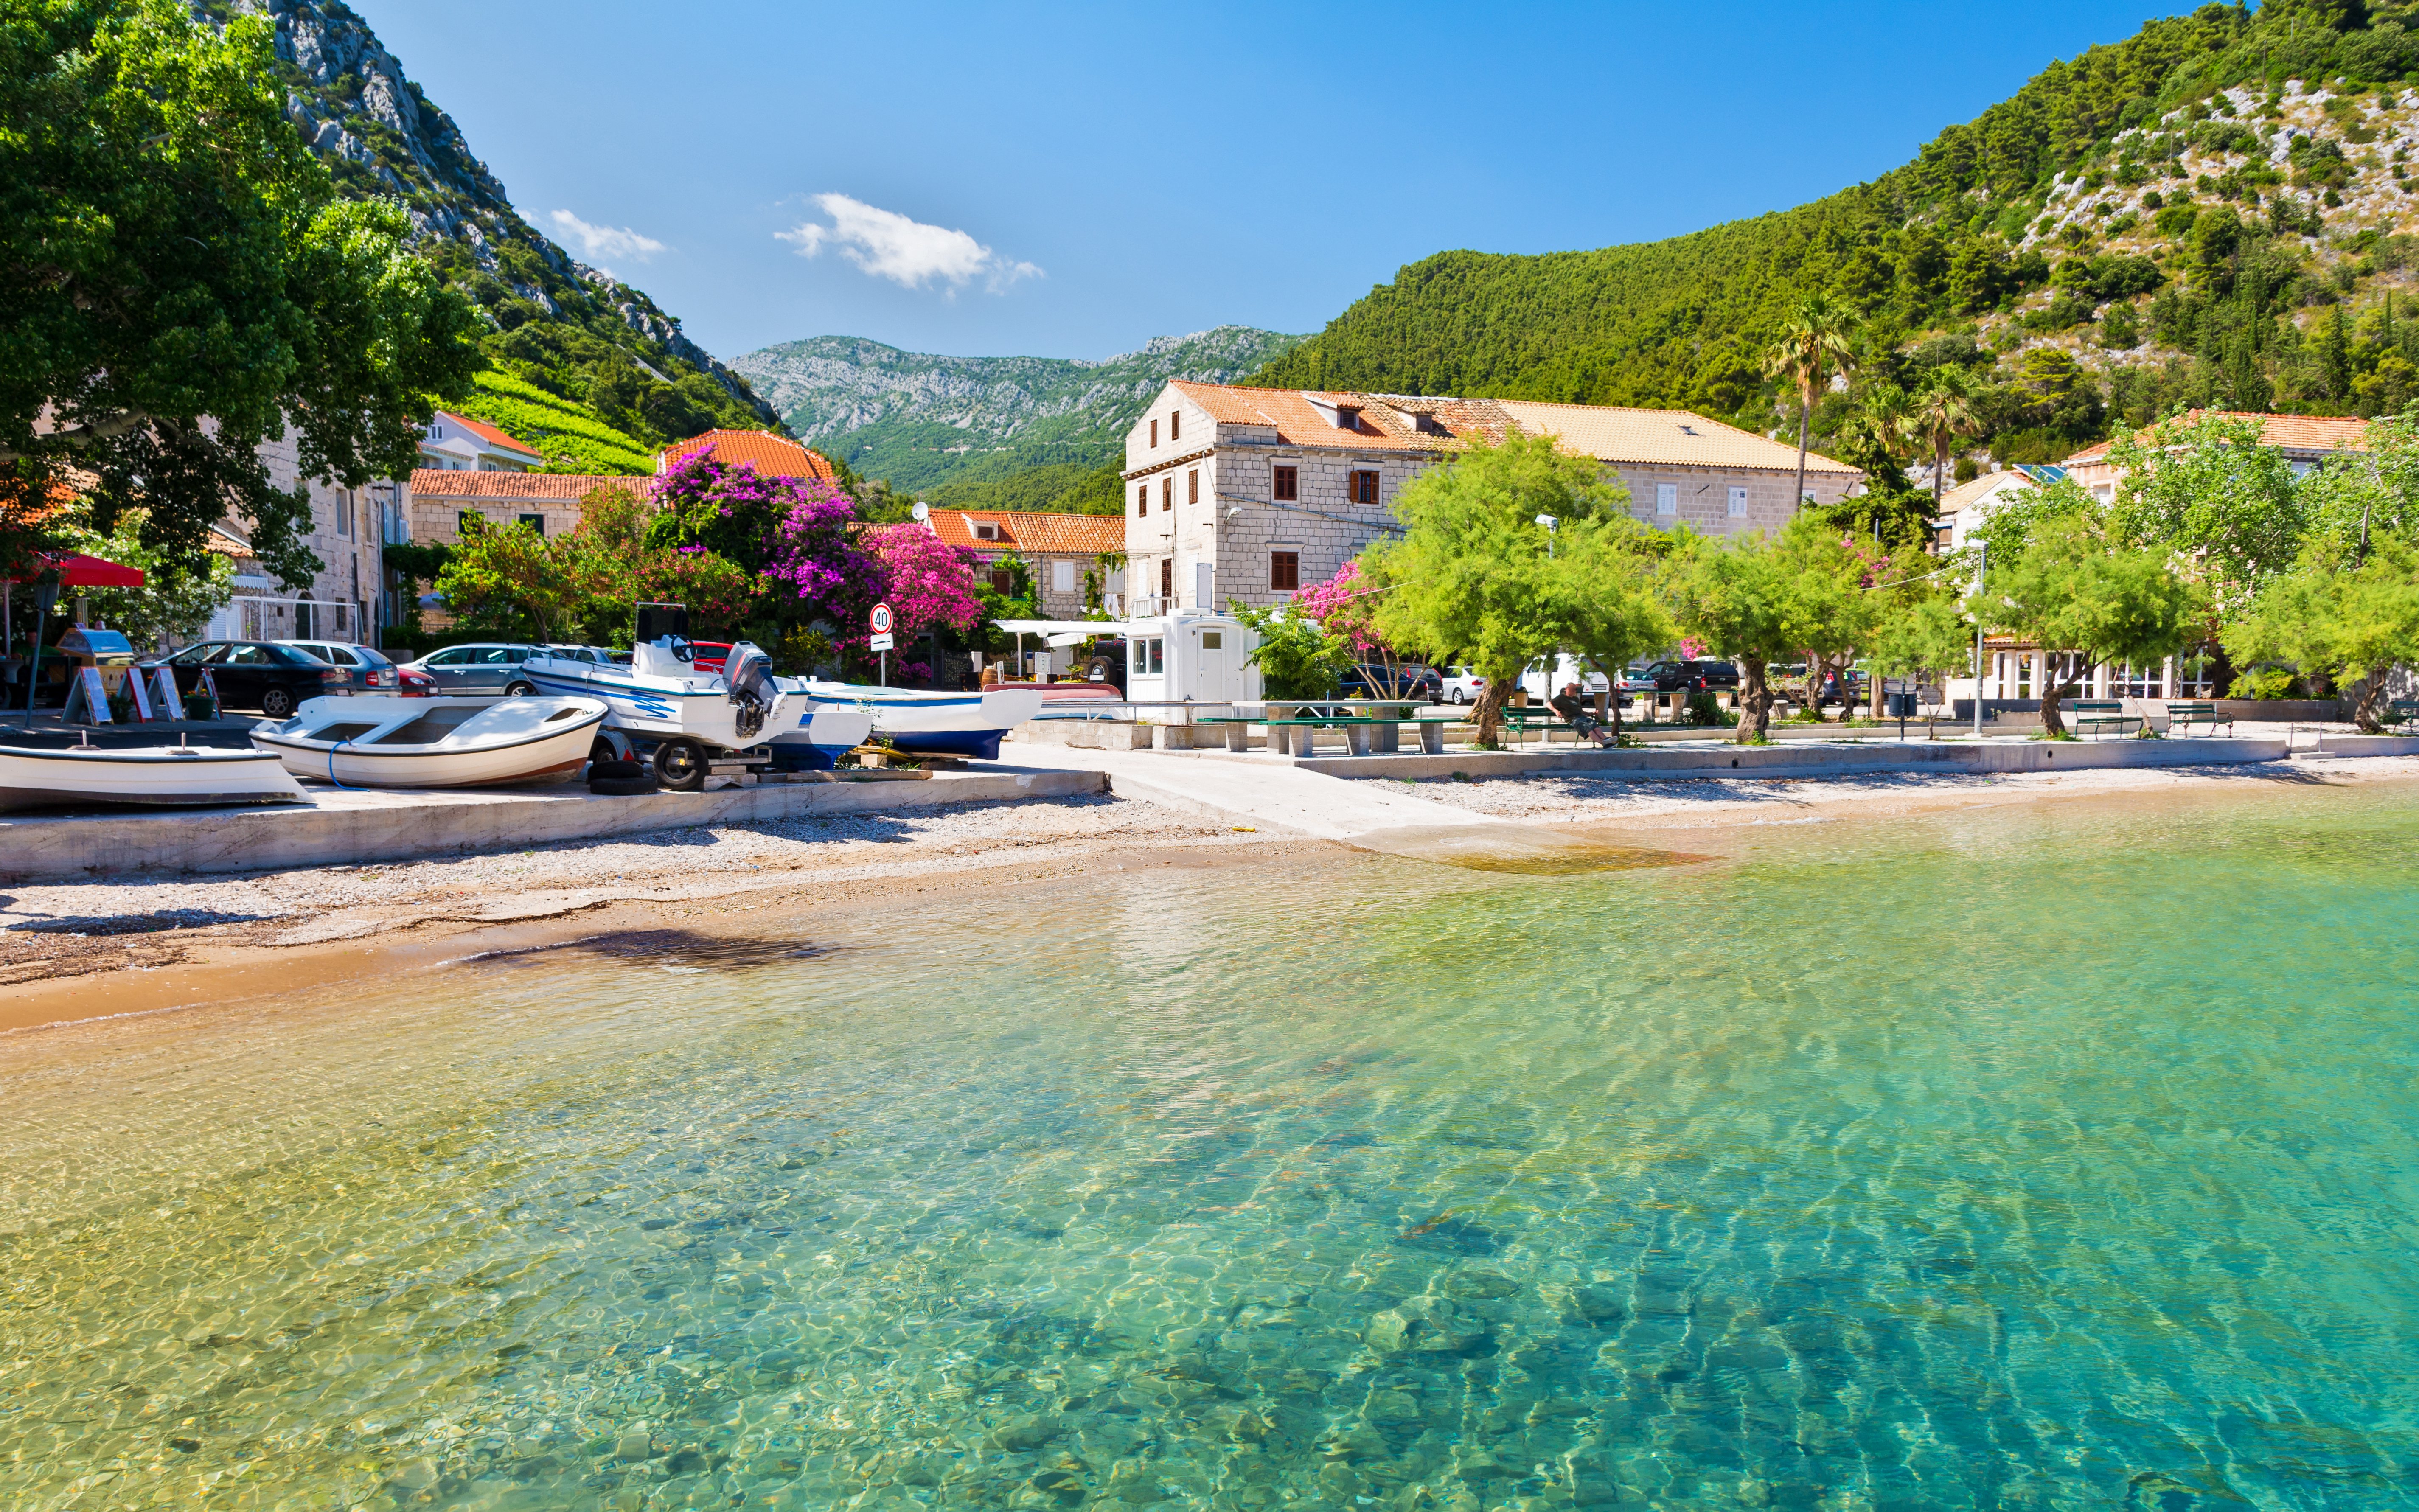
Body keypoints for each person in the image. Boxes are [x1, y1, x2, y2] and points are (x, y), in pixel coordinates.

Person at [1549, 681, 1614, 746]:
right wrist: (1556, 711)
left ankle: (1606, 739)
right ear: (1567, 689)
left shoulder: (1576, 699)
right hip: (1573, 719)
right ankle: (1603, 744)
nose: (1573, 691)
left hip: (1582, 717)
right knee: (1589, 729)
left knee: (1594, 725)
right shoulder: (1561, 698)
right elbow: (1548, 704)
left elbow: (1581, 711)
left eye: (1575, 690)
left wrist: (1592, 713)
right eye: (1572, 690)